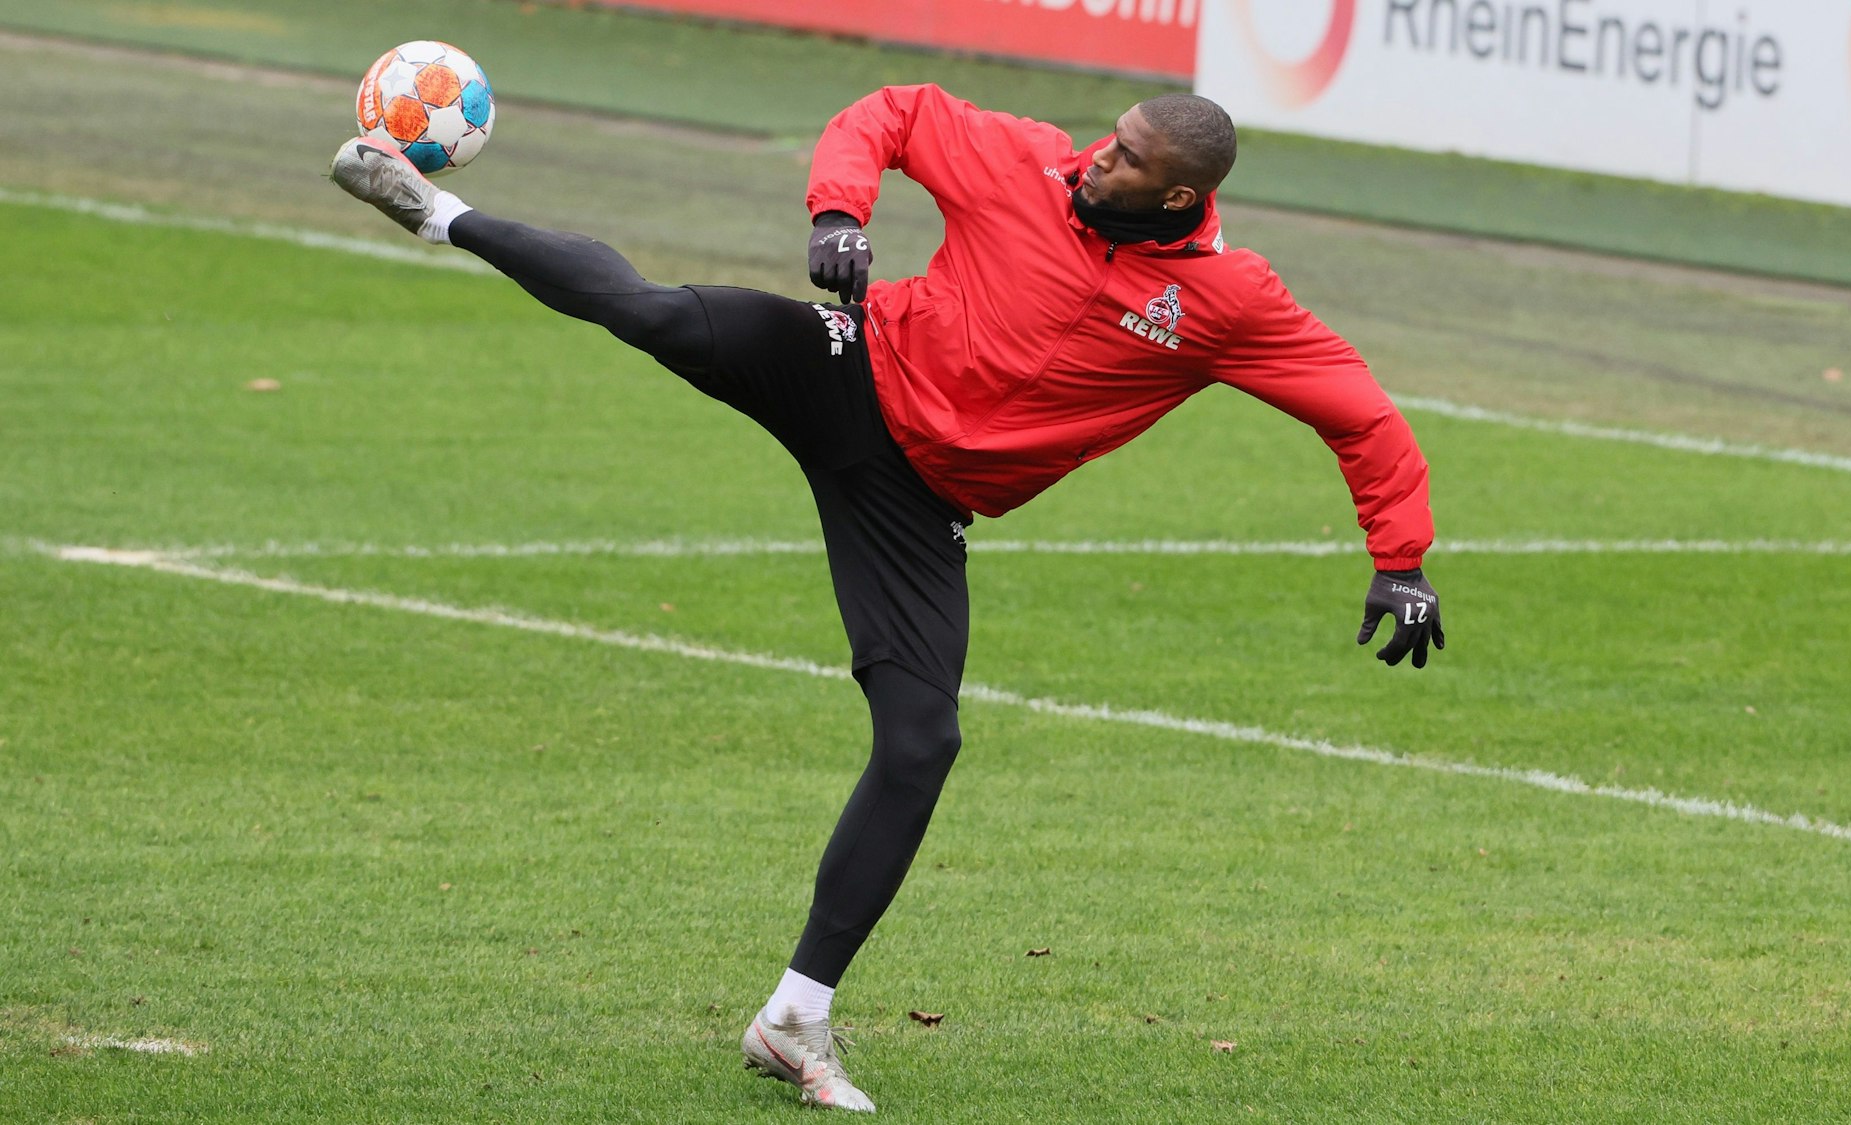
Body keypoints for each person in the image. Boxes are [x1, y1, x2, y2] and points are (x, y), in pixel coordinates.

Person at [329, 83, 1444, 1113]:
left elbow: (1359, 411)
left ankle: (794, 1017)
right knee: (657, 313)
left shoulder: (1229, 300)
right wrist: (838, 211)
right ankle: (440, 215)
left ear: (1179, 198)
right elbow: (892, 114)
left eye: (1128, 160)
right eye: (1110, 138)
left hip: (917, 505)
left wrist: (1400, 557)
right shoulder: (1026, 162)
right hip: (846, 364)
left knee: (921, 742)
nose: (1096, 160)